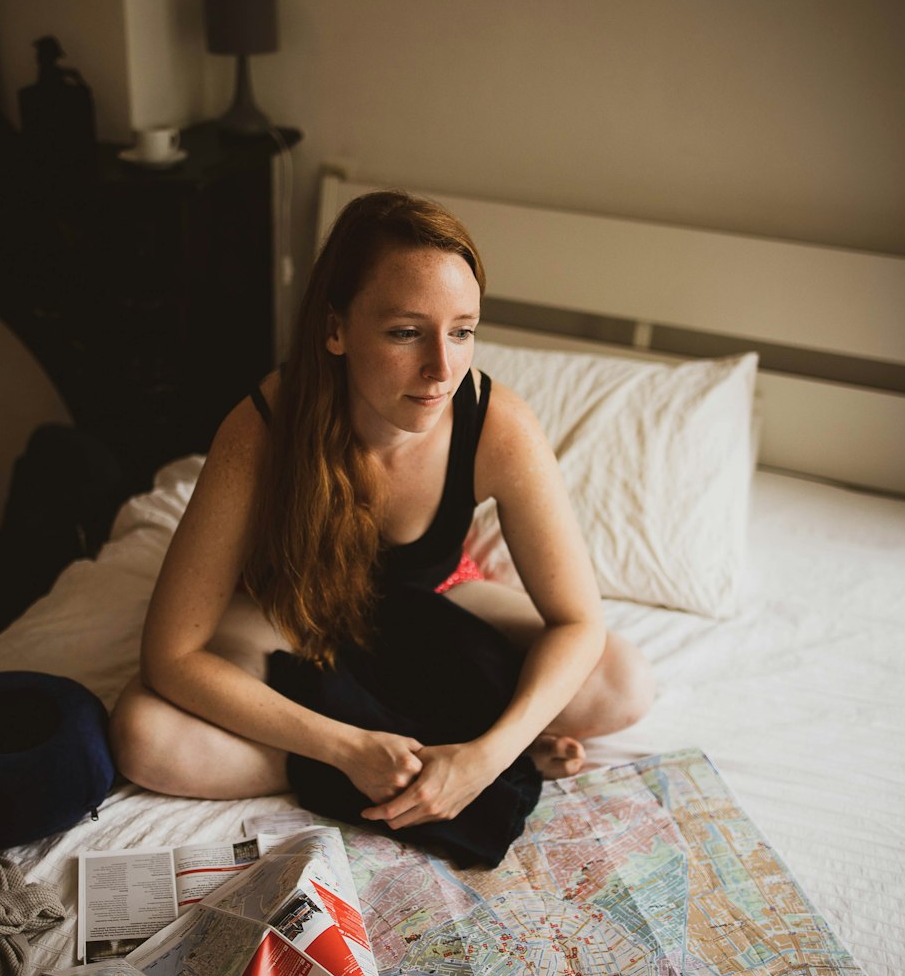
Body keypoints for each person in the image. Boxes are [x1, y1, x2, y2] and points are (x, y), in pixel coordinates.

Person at [110, 190, 653, 836]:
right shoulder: (262, 429)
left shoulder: (496, 425)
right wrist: (346, 749)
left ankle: (436, 753)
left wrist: (488, 758)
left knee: (623, 680)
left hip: (434, 609)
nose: (441, 368)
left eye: (462, 332)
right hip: (290, 619)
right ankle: (384, 760)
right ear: (335, 329)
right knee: (143, 733)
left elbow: (579, 623)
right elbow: (170, 655)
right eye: (406, 333)